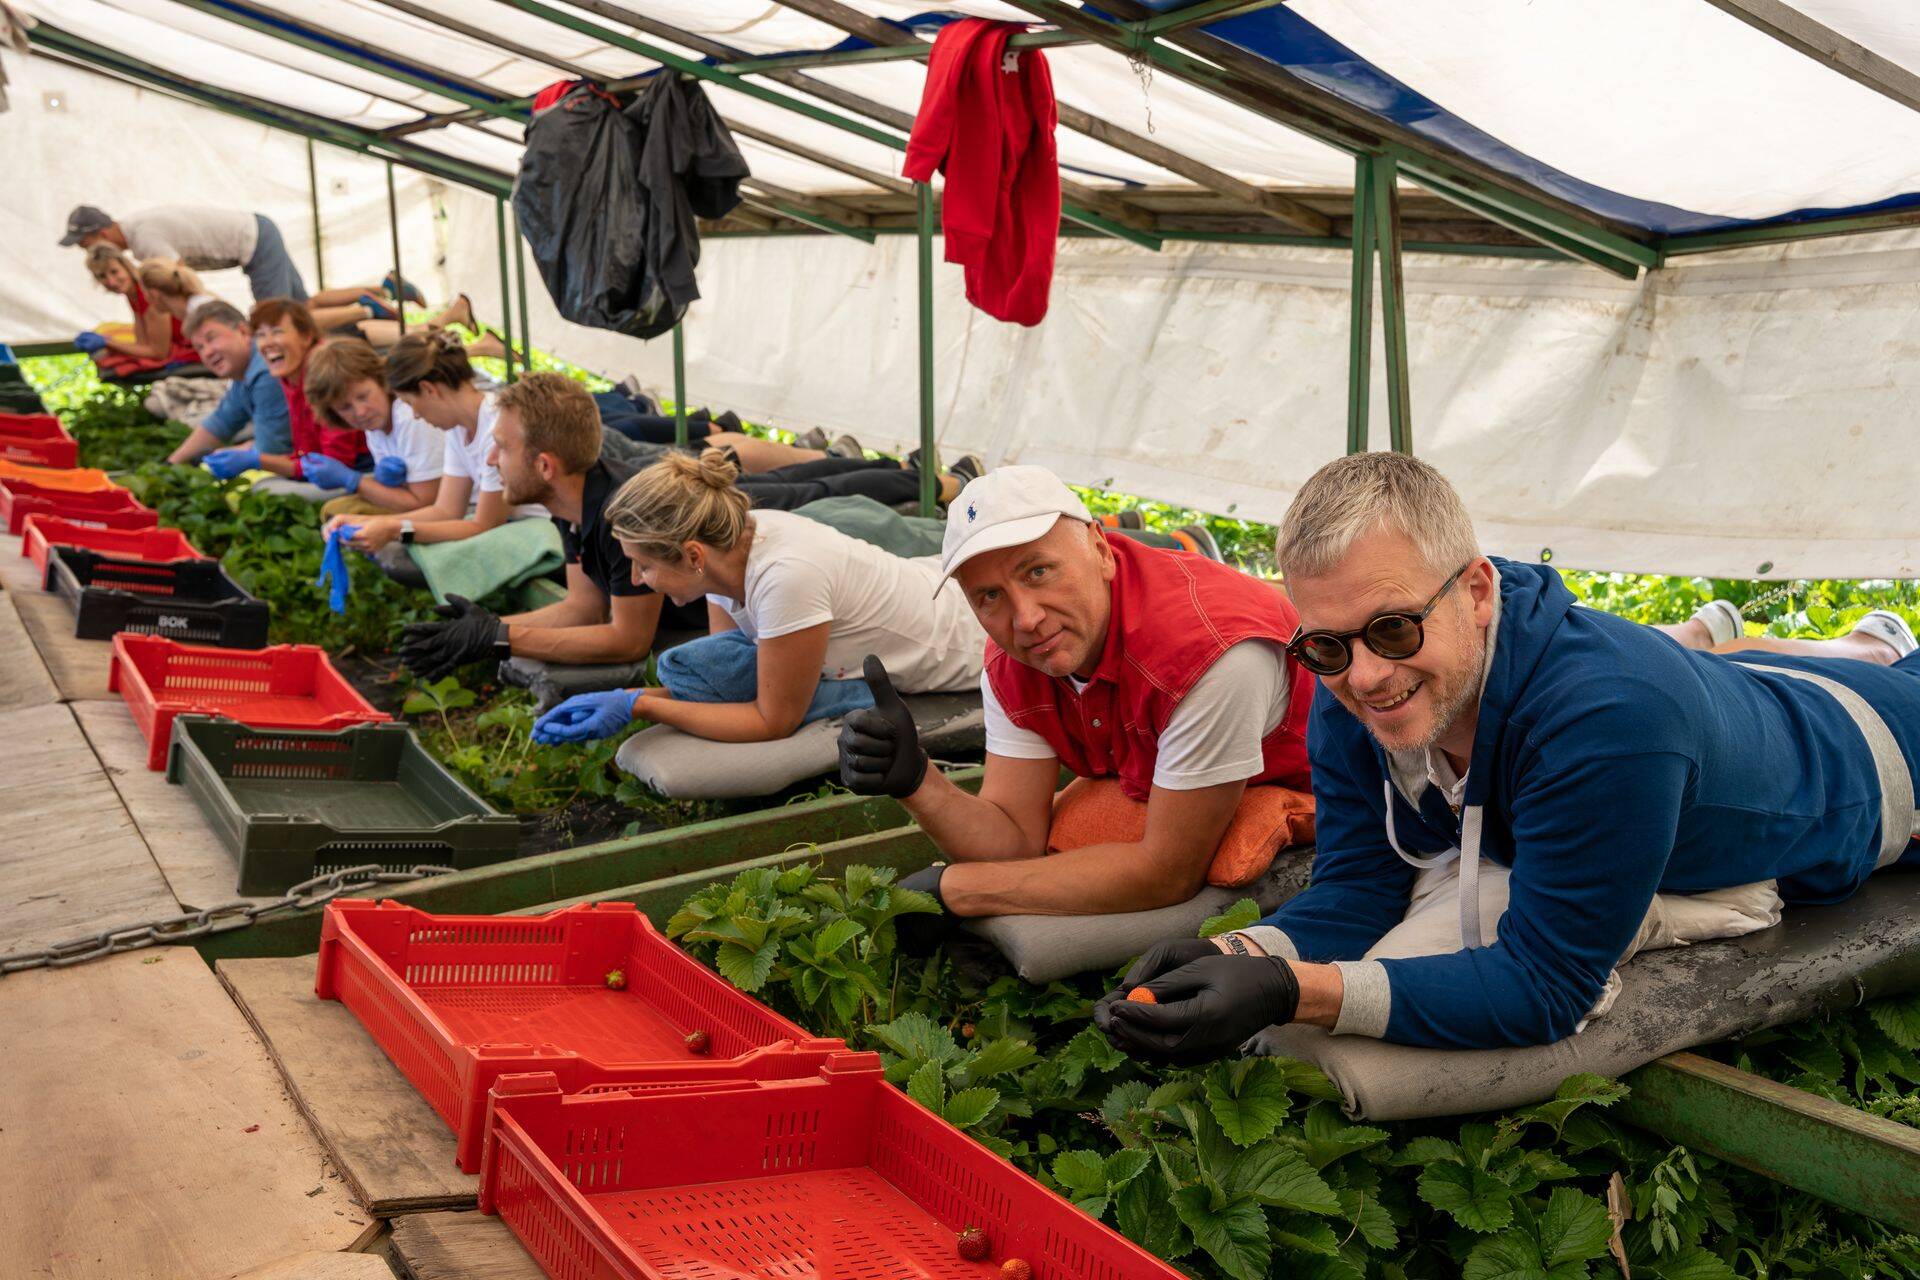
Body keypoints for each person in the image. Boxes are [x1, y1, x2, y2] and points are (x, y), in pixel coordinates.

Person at [1094, 451, 1920, 1059]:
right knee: (1737, 669)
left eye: (1394, 629)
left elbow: (1546, 986)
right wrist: (1238, 953)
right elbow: (1358, 891)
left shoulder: (1609, 721)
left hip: (1875, 753)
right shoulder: (1352, 686)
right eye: (1329, 645)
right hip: (1746, 697)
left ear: (1479, 591)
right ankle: (1849, 643)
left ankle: (1870, 651)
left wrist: (1292, 991)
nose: (1367, 676)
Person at [836, 465, 1315, 921]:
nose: (1026, 619)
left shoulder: (1208, 654)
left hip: (1325, 795)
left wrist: (960, 888)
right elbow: (1015, 839)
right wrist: (916, 780)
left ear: (1100, 550)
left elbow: (1169, 875)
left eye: (1038, 572)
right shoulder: (1013, 660)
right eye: (990, 596)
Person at [529, 451, 985, 746]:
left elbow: (772, 721)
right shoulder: (726, 552)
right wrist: (630, 695)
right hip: (937, 589)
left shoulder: (785, 578)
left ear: (692, 556)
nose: (636, 579)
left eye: (642, 565)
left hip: (975, 639)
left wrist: (640, 706)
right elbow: (733, 681)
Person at [396, 372, 708, 680]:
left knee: (552, 674)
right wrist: (485, 627)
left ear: (545, 466)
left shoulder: (623, 515)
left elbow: (629, 641)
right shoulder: (575, 503)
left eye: (501, 447)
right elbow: (583, 608)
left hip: (716, 632)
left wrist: (500, 638)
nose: (490, 459)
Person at [323, 331, 535, 583]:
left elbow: (483, 527)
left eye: (410, 403)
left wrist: (394, 530)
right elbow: (445, 510)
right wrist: (369, 521)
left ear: (428, 389)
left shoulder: (496, 428)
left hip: (534, 530)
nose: (414, 414)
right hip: (506, 527)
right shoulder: (459, 427)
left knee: (399, 558)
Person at [200, 299, 371, 492]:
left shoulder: (325, 374)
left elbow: (332, 467)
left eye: (277, 332)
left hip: (360, 471)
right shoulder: (290, 377)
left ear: (306, 336)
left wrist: (257, 460)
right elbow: (306, 454)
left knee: (267, 489)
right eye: (261, 335)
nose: (267, 342)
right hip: (332, 469)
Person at [300, 338, 443, 519]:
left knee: (351, 519)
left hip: (458, 512)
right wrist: (381, 481)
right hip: (420, 508)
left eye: (363, 396)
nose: (360, 412)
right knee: (335, 512)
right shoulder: (375, 425)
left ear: (382, 380)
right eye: (345, 407)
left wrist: (353, 481)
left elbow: (424, 504)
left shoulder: (410, 418)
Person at [62, 203, 307, 302]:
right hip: (258, 228)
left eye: (87, 245)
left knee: (274, 319)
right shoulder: (137, 230)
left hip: (255, 240)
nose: (91, 253)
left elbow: (182, 280)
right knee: (301, 307)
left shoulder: (145, 239)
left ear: (102, 234)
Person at [167, 301, 292, 466]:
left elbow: (271, 449)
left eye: (211, 339)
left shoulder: (266, 373)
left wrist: (220, 456)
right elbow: (221, 422)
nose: (207, 352)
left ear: (243, 331)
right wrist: (171, 463)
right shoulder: (243, 372)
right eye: (200, 347)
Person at [73, 244, 197, 370]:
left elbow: (159, 353)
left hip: (195, 344)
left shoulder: (148, 293)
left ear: (126, 266)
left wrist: (107, 342)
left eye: (114, 272)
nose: (111, 282)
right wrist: (108, 343)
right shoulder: (133, 294)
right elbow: (142, 343)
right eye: (102, 276)